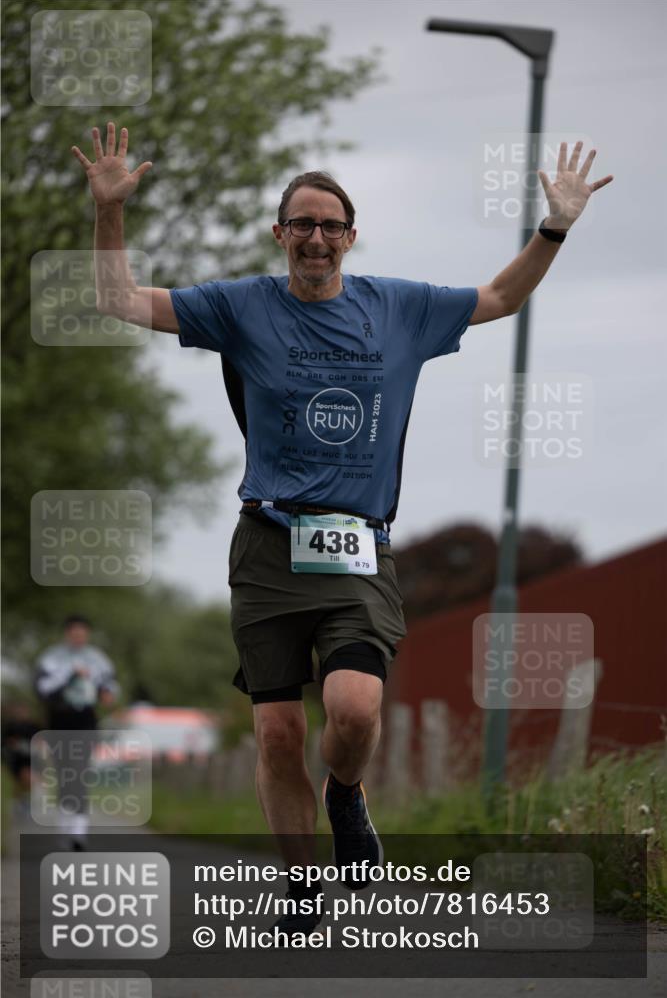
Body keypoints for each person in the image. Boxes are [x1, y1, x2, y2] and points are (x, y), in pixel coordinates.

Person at [72, 123, 612, 935]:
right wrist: (109, 213)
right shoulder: (239, 305)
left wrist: (554, 227)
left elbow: (500, 298)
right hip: (267, 544)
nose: (315, 237)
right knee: (280, 732)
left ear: (350, 237)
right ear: (279, 234)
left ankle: (347, 793)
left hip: (357, 545)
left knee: (353, 710)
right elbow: (118, 300)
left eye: (330, 225)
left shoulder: (398, 307)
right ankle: (299, 885)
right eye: (301, 224)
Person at [35, 614, 119, 849]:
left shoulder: (98, 659)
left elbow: (110, 685)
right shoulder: (52, 658)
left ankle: (79, 832)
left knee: (80, 773)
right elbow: (42, 690)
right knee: (65, 775)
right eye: (74, 632)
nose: (78, 636)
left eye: (83, 632)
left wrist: (107, 693)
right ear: (67, 633)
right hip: (60, 721)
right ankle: (65, 826)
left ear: (87, 634)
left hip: (86, 722)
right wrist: (71, 676)